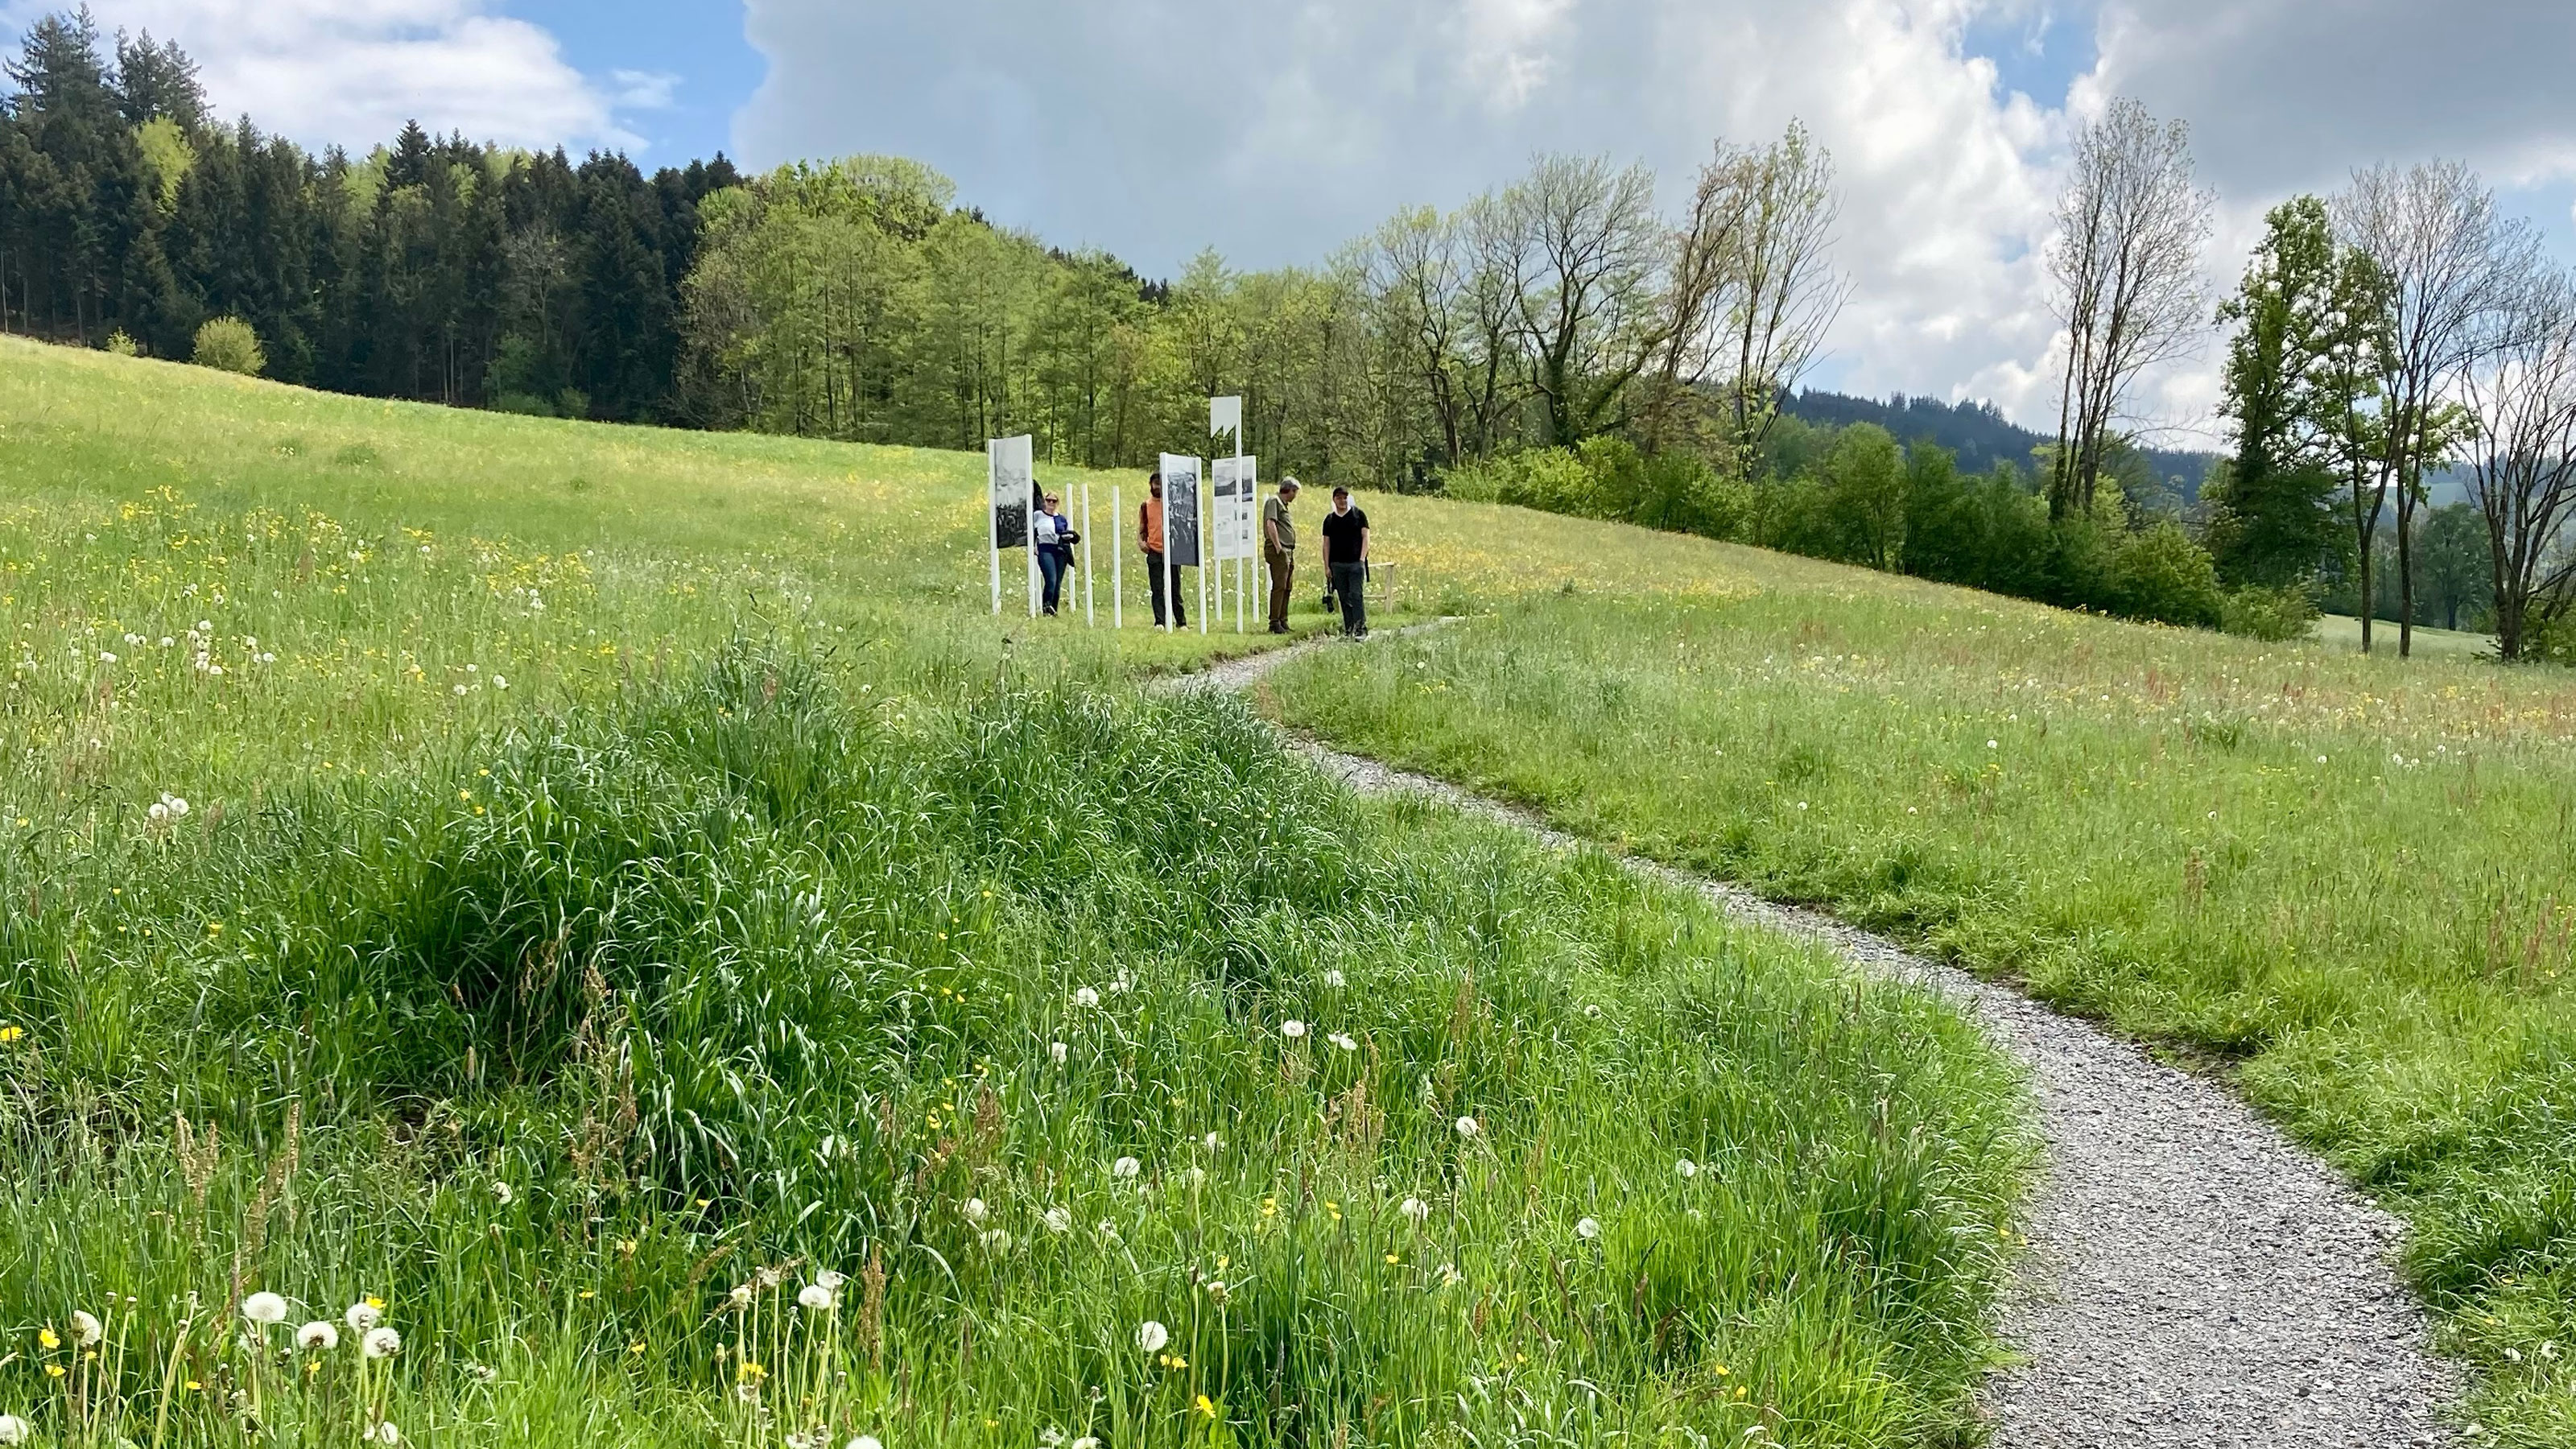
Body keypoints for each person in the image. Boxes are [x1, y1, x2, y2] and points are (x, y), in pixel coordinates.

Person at [1320, 485, 1370, 638]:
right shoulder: (1329, 520)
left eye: (1344, 497)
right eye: (1339, 498)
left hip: (1355, 563)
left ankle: (1360, 628)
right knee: (1344, 597)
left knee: (1356, 595)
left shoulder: (1358, 515)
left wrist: (1362, 559)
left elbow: (1366, 537)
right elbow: (1326, 544)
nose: (1342, 501)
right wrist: (1327, 566)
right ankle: (1349, 629)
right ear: (1334, 500)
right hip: (1337, 564)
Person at [1138, 472, 1185, 628]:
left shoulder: (1173, 504)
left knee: (1175, 588)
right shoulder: (1146, 506)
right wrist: (1141, 542)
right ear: (1151, 485)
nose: (1157, 487)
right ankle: (1160, 621)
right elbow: (1142, 528)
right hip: (1154, 551)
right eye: (1155, 484)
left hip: (1172, 551)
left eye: (1160, 484)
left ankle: (1181, 622)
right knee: (1157, 589)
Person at [1262, 477, 1301, 634]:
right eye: (1295, 492)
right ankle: (1274, 622)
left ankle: (1283, 619)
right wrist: (1278, 547)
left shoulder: (1283, 505)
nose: (1295, 495)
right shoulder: (1274, 501)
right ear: (1289, 490)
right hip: (1279, 549)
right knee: (1279, 585)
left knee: (1287, 586)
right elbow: (1270, 523)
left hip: (1288, 549)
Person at [1033, 491, 1075, 616]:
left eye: (1054, 501)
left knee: (1057, 583)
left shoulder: (1061, 519)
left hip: (1060, 550)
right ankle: (1046, 606)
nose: (1051, 503)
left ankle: (1053, 609)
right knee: (1051, 579)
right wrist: (1034, 546)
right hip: (1045, 548)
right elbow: (1031, 532)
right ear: (1044, 501)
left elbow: (1064, 533)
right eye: (1048, 500)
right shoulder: (1038, 515)